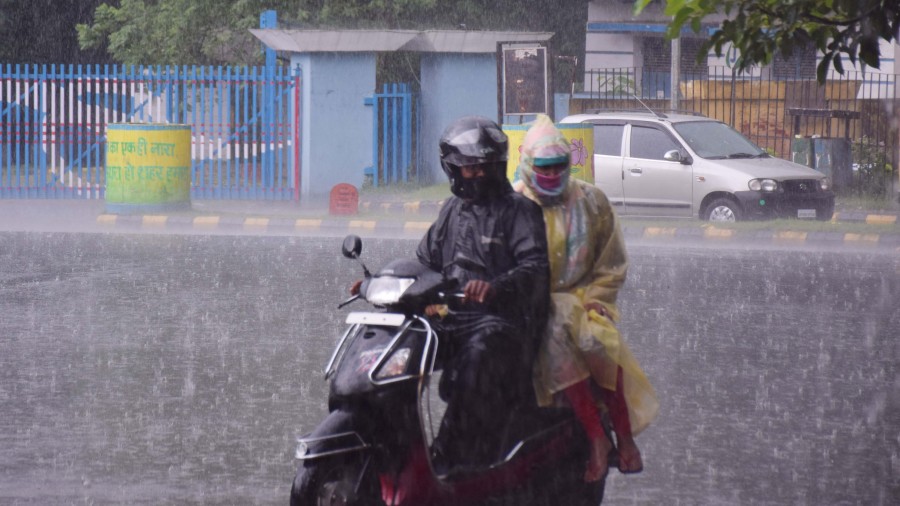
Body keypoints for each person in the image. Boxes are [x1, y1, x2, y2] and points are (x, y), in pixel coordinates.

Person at [513, 114, 659, 482]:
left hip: (584, 299)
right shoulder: (513, 204)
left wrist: (599, 299)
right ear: (526, 163)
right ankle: (597, 437)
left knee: (599, 344)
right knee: (554, 341)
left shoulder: (590, 200)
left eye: (559, 165)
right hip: (534, 307)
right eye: (543, 167)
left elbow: (611, 260)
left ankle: (623, 438)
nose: (551, 174)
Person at [416, 115, 550, 473]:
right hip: (450, 318)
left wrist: (496, 287)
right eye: (470, 169)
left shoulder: (520, 211)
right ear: (453, 170)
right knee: (395, 348)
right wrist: (386, 283)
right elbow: (424, 261)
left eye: (484, 168)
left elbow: (535, 267)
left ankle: (447, 455)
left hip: (500, 322)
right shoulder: (451, 211)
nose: (477, 176)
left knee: (477, 361)